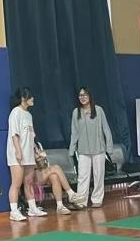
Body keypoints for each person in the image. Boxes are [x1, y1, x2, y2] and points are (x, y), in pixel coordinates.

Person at [7, 87, 85, 220]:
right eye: (30, 96)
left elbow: (31, 137)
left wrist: (36, 150)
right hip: (17, 155)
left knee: (28, 182)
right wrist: (18, 152)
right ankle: (13, 211)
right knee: (16, 183)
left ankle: (32, 209)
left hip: (29, 155)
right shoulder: (15, 112)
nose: (33, 99)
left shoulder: (28, 115)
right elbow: (14, 134)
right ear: (23, 98)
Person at [69, 87, 115, 208]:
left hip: (99, 149)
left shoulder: (98, 110)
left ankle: (97, 199)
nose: (82, 97)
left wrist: (109, 147)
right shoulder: (76, 112)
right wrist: (71, 150)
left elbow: (106, 129)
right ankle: (81, 201)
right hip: (83, 150)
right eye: (80, 95)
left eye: (85, 95)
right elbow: (74, 132)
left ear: (90, 96)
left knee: (98, 175)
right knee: (82, 177)